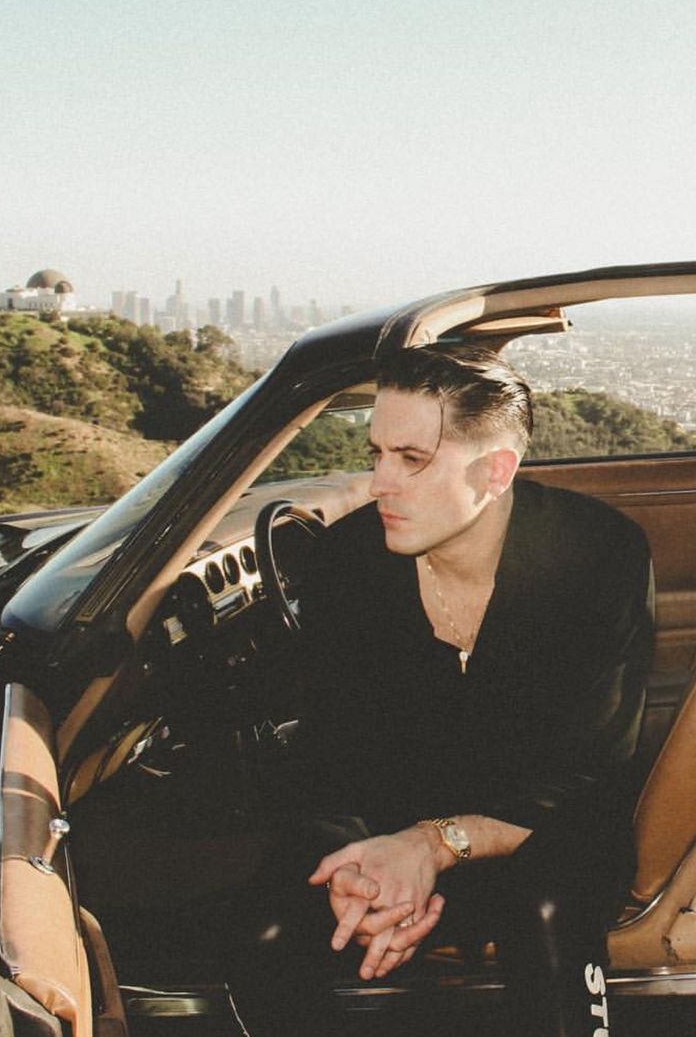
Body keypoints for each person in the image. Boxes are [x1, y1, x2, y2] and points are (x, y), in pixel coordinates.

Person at [227, 344, 654, 1037]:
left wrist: (431, 846)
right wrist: (364, 872)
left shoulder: (598, 554)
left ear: (496, 470)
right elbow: (328, 753)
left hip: (540, 832)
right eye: (376, 453)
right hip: (395, 832)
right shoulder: (349, 560)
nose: (380, 483)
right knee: (268, 930)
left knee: (544, 905)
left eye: (411, 458)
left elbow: (587, 776)